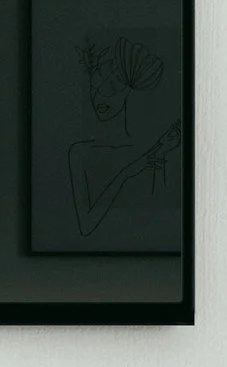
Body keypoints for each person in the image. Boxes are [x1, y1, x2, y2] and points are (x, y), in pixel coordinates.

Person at [68, 29, 179, 237]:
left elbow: (164, 225)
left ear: (130, 90)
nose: (100, 94)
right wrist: (125, 173)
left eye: (113, 85)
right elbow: (86, 226)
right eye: (97, 80)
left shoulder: (151, 153)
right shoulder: (79, 153)